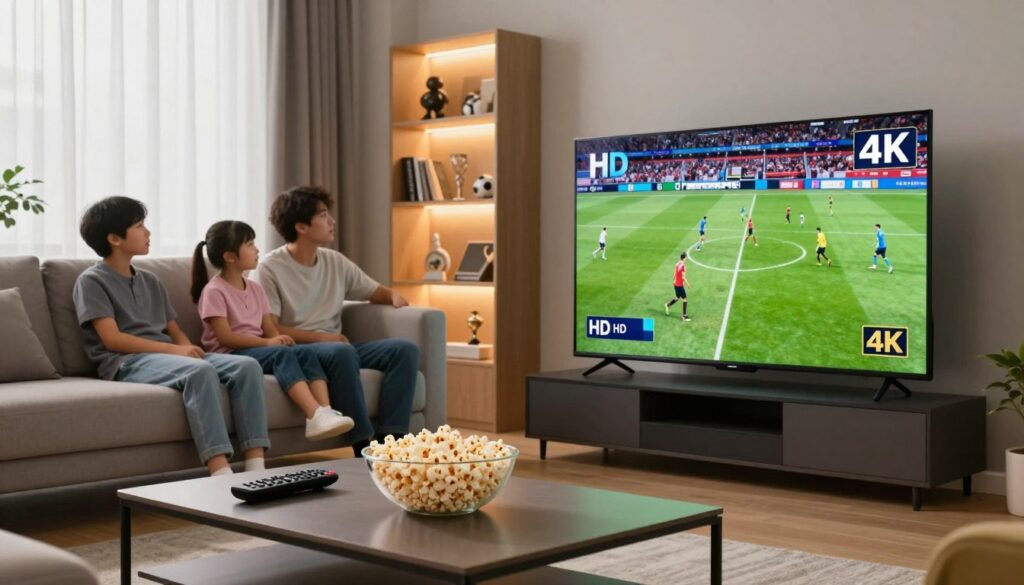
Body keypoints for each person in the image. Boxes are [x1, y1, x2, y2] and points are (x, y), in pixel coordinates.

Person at [73, 197, 269, 476]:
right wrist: (178, 354)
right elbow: (112, 340)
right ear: (115, 238)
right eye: (140, 226)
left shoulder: (150, 280)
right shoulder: (91, 281)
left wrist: (191, 349)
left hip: (164, 356)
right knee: (198, 372)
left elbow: (174, 332)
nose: (148, 232)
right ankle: (220, 471)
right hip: (125, 361)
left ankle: (256, 467)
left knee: (247, 366)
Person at [256, 186, 419, 455]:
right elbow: (271, 329)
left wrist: (392, 296)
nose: (332, 222)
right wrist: (325, 338)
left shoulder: (334, 261)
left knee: (404, 350)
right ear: (301, 227)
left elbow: (372, 290)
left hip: (337, 348)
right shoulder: (270, 267)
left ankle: (393, 443)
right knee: (341, 350)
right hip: (301, 352)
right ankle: (363, 446)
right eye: (323, 215)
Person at [191, 220, 355, 442]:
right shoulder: (214, 291)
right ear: (230, 257)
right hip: (230, 354)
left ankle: (325, 411)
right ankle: (313, 412)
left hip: (257, 349)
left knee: (305, 351)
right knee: (281, 354)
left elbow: (268, 328)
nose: (257, 249)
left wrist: (276, 338)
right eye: (249, 245)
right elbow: (225, 337)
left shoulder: (255, 288)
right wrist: (269, 344)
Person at [664, 253, 691, 321]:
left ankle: (668, 305)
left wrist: (674, 279)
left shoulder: (677, 263)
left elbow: (675, 273)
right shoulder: (683, 266)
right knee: (685, 300)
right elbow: (683, 277)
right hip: (679, 285)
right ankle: (684, 317)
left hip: (675, 284)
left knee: (677, 297)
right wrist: (688, 284)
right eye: (686, 258)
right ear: (684, 258)